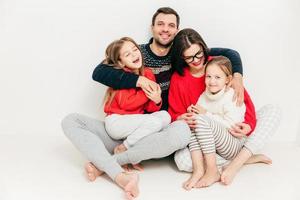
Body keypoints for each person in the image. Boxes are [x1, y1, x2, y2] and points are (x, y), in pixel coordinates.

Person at [169, 28, 280, 187]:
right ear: (181, 57)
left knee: (273, 110)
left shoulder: (218, 65)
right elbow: (176, 114)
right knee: (181, 161)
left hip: (233, 133)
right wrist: (181, 117)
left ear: (203, 47)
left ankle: (234, 163)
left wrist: (249, 125)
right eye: (189, 57)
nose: (196, 60)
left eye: (199, 54)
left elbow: (243, 101)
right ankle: (246, 157)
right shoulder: (178, 79)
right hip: (207, 140)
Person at [102, 37, 171, 155]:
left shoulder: (148, 73)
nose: (134, 55)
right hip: (117, 121)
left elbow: (149, 108)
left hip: (135, 121)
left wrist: (156, 100)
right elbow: (126, 104)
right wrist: (147, 92)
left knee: (165, 116)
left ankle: (137, 147)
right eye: (128, 54)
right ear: (120, 62)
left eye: (135, 50)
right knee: (154, 123)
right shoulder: (120, 77)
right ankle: (124, 148)